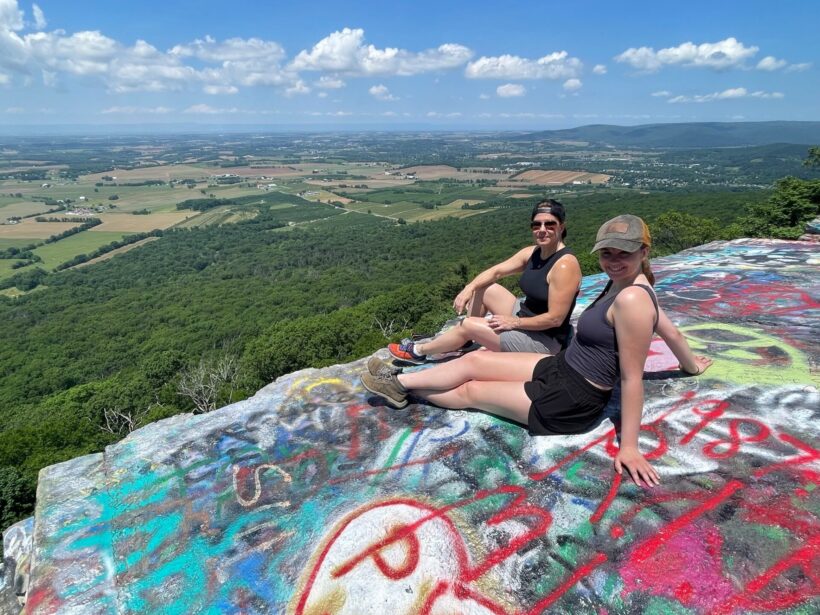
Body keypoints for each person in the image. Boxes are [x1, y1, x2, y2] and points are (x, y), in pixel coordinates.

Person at [362, 215, 712, 486]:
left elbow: (632, 378)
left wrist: (630, 447)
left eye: (625, 253)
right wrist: (691, 365)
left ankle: (401, 389)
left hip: (574, 398)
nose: (614, 260)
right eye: (608, 252)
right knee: (476, 358)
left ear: (644, 252)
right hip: (562, 366)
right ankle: (400, 382)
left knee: (472, 390)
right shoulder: (629, 283)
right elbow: (669, 329)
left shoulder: (633, 297)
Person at [388, 199, 582, 364]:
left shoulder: (565, 266)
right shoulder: (533, 253)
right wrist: (469, 287)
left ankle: (419, 352)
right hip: (526, 318)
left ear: (561, 227)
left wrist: (514, 322)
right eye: (536, 225)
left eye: (550, 224)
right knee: (486, 287)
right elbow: (496, 271)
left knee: (467, 325)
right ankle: (465, 340)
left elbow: (555, 319)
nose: (542, 230)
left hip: (545, 340)